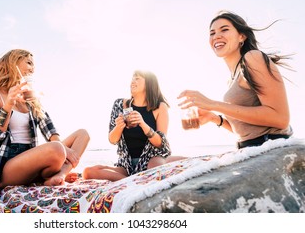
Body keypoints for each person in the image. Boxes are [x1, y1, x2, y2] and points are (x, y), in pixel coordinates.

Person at [0, 49, 90, 187]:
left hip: (31, 159)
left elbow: (49, 129)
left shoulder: (28, 96)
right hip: (5, 167)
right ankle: (51, 174)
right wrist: (9, 104)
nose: (32, 69)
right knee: (57, 149)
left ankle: (60, 174)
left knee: (82, 134)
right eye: (29, 63)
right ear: (13, 62)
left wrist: (65, 150)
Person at [178, 11, 293, 149]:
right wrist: (214, 118)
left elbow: (280, 119)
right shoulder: (232, 79)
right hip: (250, 149)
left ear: (241, 36)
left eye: (224, 29)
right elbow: (248, 131)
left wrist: (213, 104)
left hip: (271, 149)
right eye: (212, 33)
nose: (216, 36)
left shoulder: (253, 57)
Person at [83, 70, 184, 181]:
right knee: (88, 172)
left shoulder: (160, 107)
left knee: (155, 168)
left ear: (149, 83)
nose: (132, 81)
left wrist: (143, 124)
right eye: (132, 78)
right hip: (127, 164)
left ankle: (131, 180)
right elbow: (112, 140)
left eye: (137, 78)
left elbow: (160, 143)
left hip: (152, 158)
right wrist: (119, 126)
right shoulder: (119, 104)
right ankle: (134, 181)